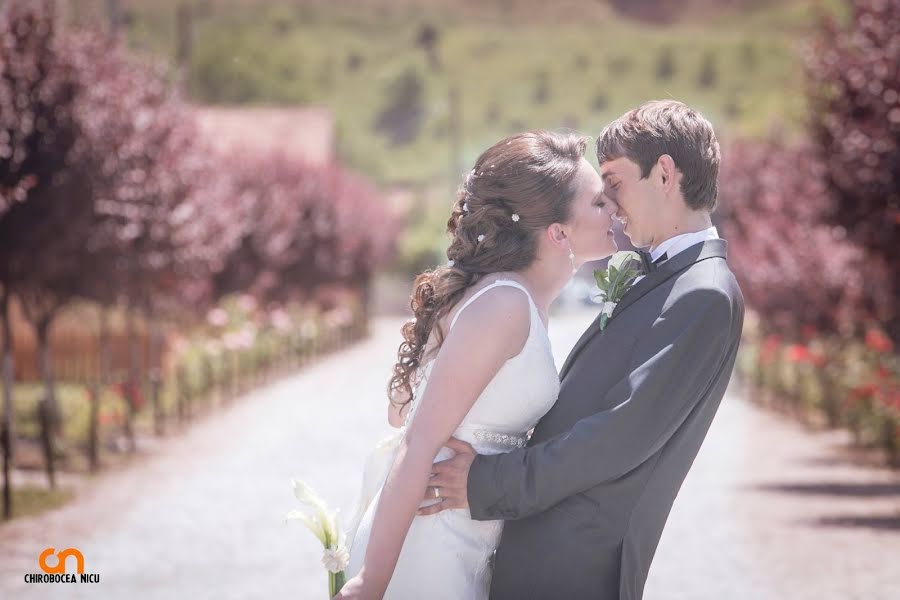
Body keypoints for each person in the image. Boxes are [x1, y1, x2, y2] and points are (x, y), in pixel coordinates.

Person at [420, 100, 745, 599]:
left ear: (663, 174)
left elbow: (619, 435)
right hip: (546, 551)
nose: (611, 204)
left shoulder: (703, 292)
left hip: (577, 567)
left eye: (614, 181)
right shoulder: (664, 276)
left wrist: (489, 483)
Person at [338, 130, 617, 599]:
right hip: (434, 544)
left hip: (470, 536)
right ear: (558, 232)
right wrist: (372, 581)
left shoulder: (515, 299)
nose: (613, 208)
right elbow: (417, 439)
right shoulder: (504, 304)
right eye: (598, 203)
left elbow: (402, 407)